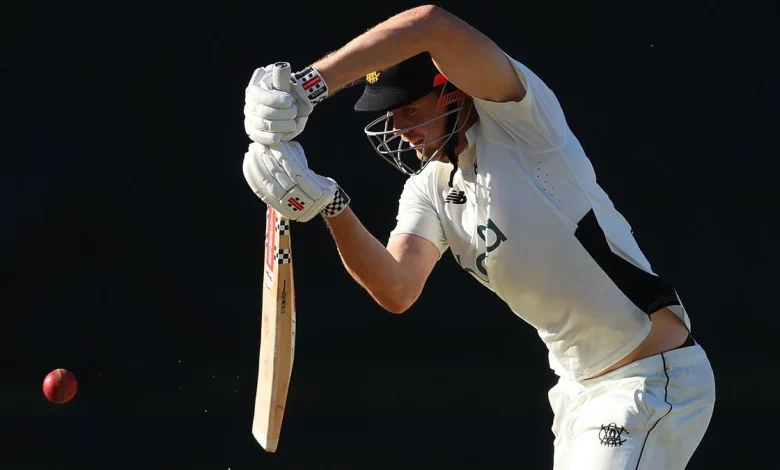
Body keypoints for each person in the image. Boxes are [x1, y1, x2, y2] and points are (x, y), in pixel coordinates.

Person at [241, 5, 715, 469]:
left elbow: (431, 23)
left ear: (449, 91)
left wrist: (308, 87)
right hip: (577, 393)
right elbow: (397, 287)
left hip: (649, 381)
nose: (399, 128)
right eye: (389, 113)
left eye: (408, 108)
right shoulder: (428, 188)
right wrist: (330, 205)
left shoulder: (523, 125)